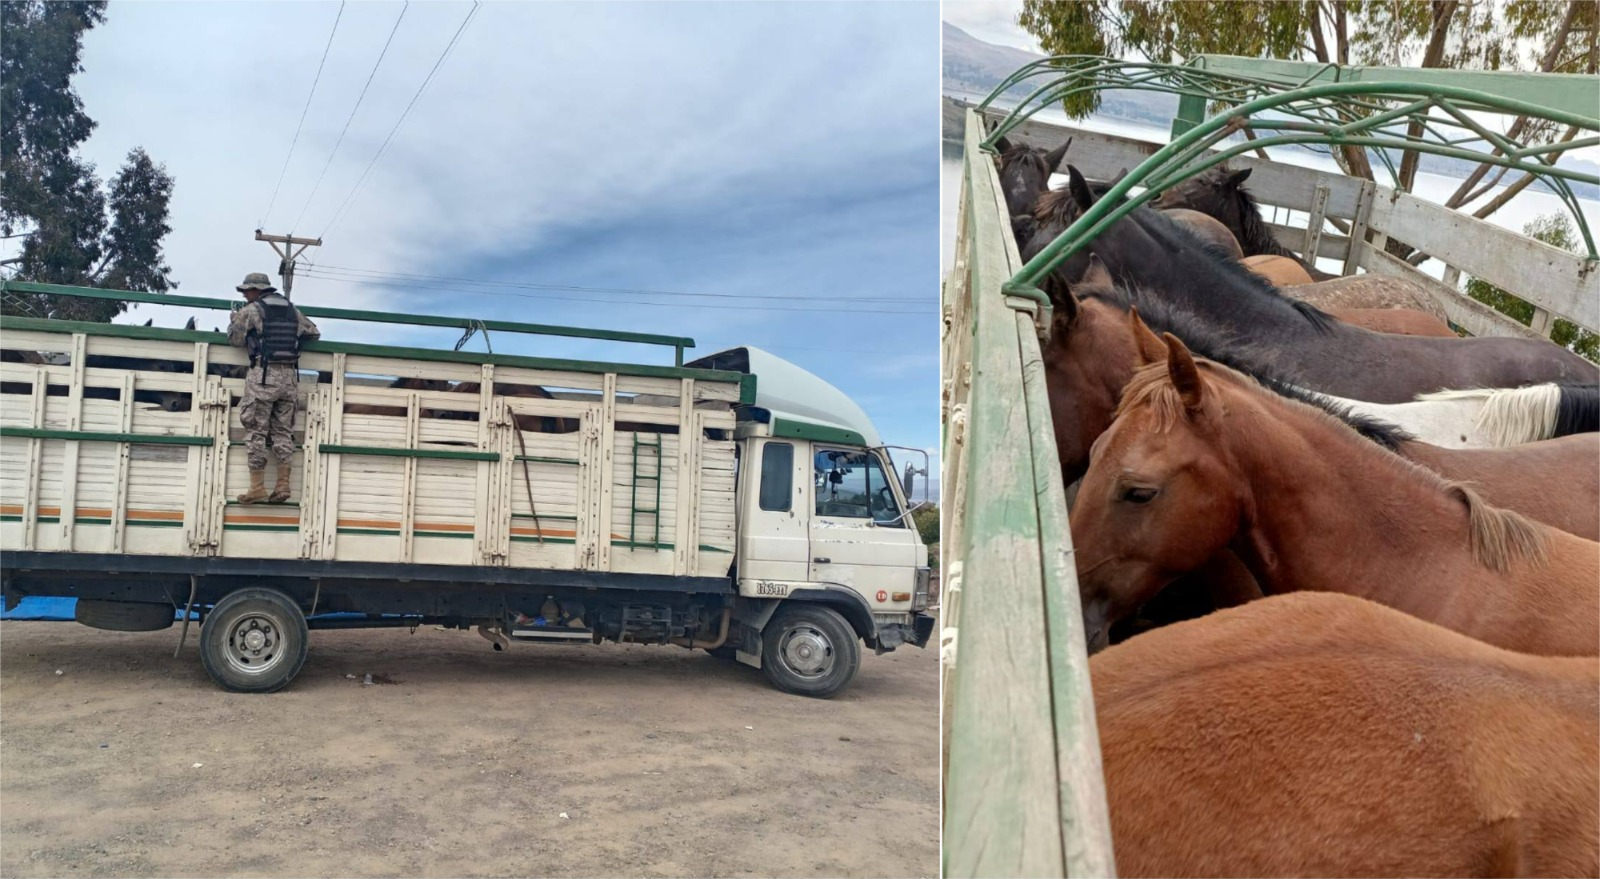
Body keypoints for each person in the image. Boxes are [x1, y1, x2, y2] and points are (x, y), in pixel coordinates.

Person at [227, 272, 320, 504]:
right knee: (282, 432)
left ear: (257, 290)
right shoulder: (292, 310)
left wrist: (235, 320)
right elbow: (313, 332)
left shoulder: (251, 310)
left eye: (247, 291)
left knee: (256, 431)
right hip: (289, 380)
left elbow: (235, 339)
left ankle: (257, 487)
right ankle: (283, 485)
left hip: (263, 377)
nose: (245, 295)